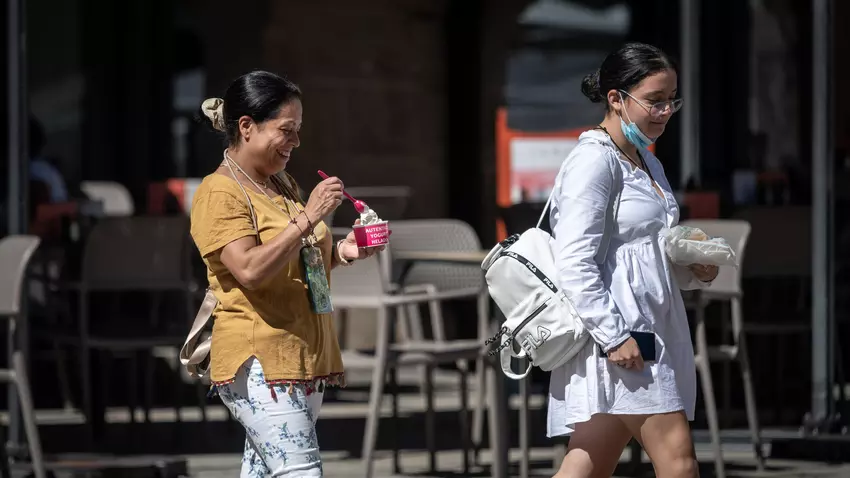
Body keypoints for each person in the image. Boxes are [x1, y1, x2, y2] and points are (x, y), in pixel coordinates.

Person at [190, 70, 381, 477]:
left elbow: (296, 260)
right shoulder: (220, 192)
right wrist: (310, 216)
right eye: (286, 130)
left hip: (302, 359)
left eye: (298, 130)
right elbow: (249, 269)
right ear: (246, 127)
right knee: (301, 471)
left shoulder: (281, 183)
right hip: (260, 362)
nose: (296, 142)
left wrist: (344, 252)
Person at [547, 43, 718, 478]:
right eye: (654, 100)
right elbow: (574, 261)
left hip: (646, 328)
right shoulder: (594, 161)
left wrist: (691, 267)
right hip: (626, 335)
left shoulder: (644, 161)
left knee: (586, 464)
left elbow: (645, 248)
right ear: (616, 99)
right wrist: (614, 336)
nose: (665, 111)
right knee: (679, 461)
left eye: (672, 100)